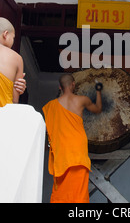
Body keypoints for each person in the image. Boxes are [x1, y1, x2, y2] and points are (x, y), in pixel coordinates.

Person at [42, 74, 103, 203]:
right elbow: (98, 109)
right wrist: (98, 91)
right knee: (79, 193)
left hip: (61, 153)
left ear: (60, 87)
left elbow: (48, 133)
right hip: (77, 150)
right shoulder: (82, 100)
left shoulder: (51, 106)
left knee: (61, 191)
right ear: (73, 84)